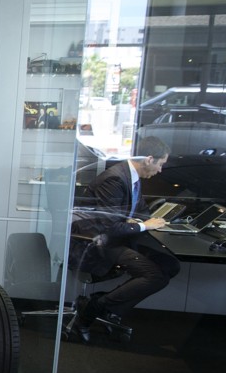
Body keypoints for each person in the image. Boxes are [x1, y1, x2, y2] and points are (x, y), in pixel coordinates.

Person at [67, 135, 178, 342]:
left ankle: (109, 308)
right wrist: (145, 225)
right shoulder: (115, 179)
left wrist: (162, 222)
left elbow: (140, 211)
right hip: (94, 242)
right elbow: (110, 226)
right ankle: (96, 307)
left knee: (170, 265)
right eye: (161, 164)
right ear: (149, 159)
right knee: (154, 275)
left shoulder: (132, 178)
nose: (160, 170)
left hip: (114, 240)